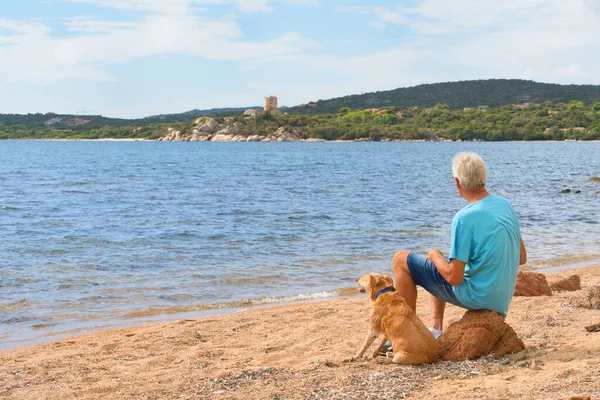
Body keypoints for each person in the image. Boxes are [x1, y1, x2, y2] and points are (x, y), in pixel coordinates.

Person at [393, 152, 527, 340]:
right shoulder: (505, 205)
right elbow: (521, 258)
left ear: (457, 182)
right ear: (483, 177)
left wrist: (435, 255)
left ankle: (406, 336)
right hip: (501, 300)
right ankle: (436, 329)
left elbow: (453, 278)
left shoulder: (464, 218)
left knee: (401, 259)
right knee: (443, 263)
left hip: (478, 297)